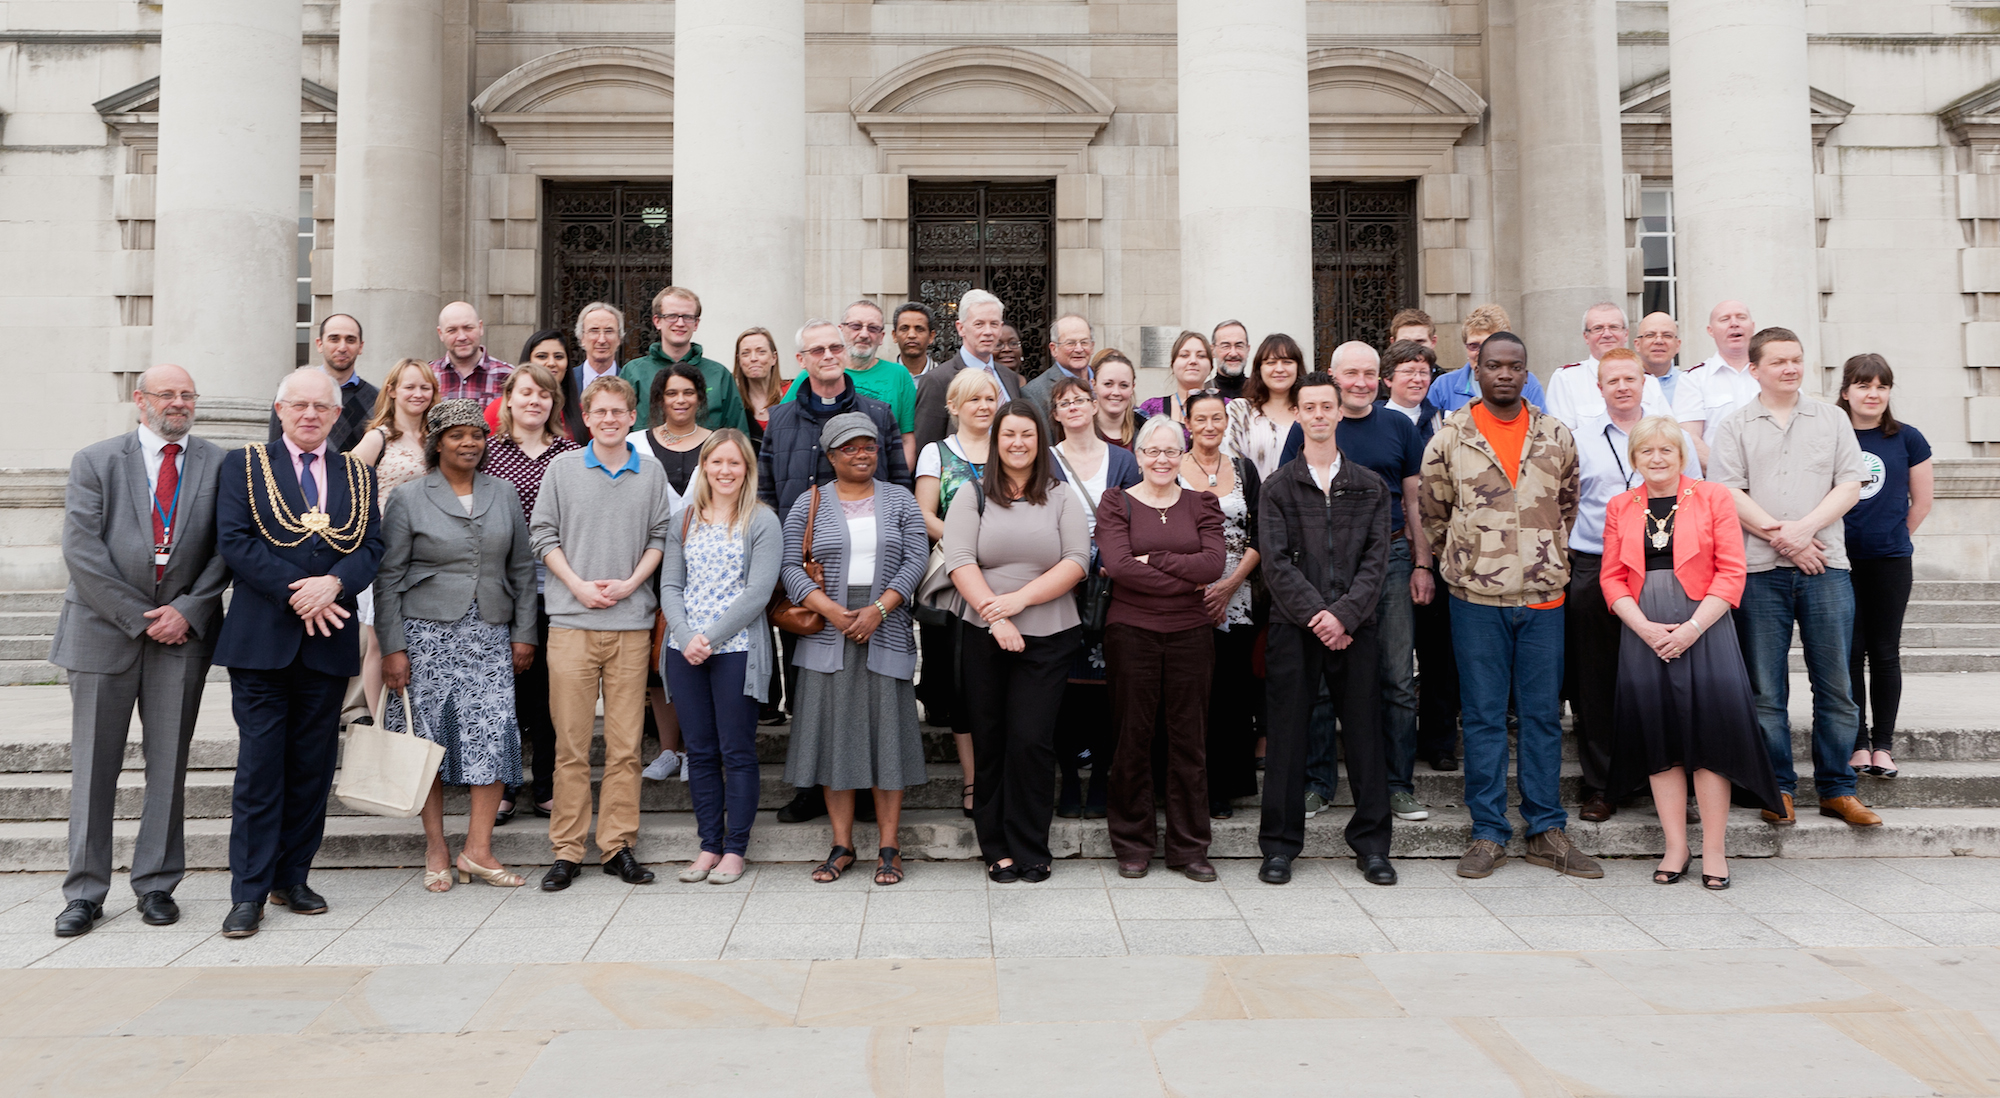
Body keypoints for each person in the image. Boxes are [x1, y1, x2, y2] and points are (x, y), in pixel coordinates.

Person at [51, 365, 230, 938]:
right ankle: (84, 893)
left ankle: (156, 884)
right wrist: (141, 618)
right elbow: (81, 549)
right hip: (102, 632)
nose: (178, 403)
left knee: (169, 763)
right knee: (94, 766)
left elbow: (227, 548)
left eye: (187, 394)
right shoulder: (96, 460)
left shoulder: (220, 463)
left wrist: (189, 610)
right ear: (140, 400)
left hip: (182, 635)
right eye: (167, 394)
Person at [1419, 332, 1601, 881]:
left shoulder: (1556, 435)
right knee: (1482, 717)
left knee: (1542, 717)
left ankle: (1546, 829)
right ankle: (1488, 831)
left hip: (1544, 596)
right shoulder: (1449, 438)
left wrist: (1540, 553)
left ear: (1526, 372)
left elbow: (1567, 505)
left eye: (1514, 366)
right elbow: (1434, 513)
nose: (1504, 374)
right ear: (1477, 371)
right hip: (1476, 600)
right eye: (1493, 365)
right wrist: (1472, 556)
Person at [213, 369, 384, 937]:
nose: (310, 415)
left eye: (321, 407)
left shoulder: (358, 474)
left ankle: (293, 878)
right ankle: (249, 892)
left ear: (337, 415)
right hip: (263, 642)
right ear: (280, 409)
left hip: (329, 642)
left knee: (312, 770)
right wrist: (301, 594)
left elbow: (372, 546)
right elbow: (235, 541)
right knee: (261, 770)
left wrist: (334, 585)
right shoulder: (243, 465)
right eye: (299, 405)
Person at [1601, 416, 1784, 889]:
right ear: (1634, 458)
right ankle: (1675, 846)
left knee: (1710, 738)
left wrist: (1692, 628)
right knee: (1659, 739)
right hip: (1644, 632)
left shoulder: (1713, 496)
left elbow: (1731, 570)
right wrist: (1644, 628)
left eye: (1667, 449)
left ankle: (1715, 851)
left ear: (1682, 455)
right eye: (1647, 450)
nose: (1657, 458)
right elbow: (1611, 578)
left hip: (1705, 628)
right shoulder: (1621, 505)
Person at [1709, 327, 1878, 827]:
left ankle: (1837, 790)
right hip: (1761, 573)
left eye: (1796, 359)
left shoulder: (1831, 418)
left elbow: (1850, 484)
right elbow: (1728, 492)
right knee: (1765, 690)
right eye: (1779, 361)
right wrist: (1783, 537)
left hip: (1826, 568)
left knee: (1837, 687)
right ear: (1755, 369)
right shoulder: (1734, 426)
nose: (1790, 368)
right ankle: (1777, 787)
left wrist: (1803, 532)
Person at [375, 400, 538, 892]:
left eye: (477, 434)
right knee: (429, 740)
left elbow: (521, 569)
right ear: (437, 442)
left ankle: (478, 850)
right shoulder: (409, 497)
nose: (469, 443)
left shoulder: (503, 493)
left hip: (490, 635)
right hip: (425, 636)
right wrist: (392, 647)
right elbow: (388, 577)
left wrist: (524, 633)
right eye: (457, 434)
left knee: (492, 734)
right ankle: (436, 848)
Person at [529, 376, 672, 890]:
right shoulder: (562, 469)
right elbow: (542, 534)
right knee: (570, 746)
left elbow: (660, 536)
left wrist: (633, 582)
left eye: (619, 412)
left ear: (633, 418)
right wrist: (576, 585)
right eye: (600, 412)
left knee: (625, 745)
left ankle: (617, 845)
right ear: (585, 418)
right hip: (572, 623)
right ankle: (567, 850)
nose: (610, 419)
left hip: (630, 626)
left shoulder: (651, 472)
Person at [1257, 370, 1396, 887]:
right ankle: (1278, 847)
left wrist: (1344, 615)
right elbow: (1275, 563)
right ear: (1297, 413)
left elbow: (1376, 561)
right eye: (1309, 407)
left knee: (1364, 736)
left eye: (1326, 406)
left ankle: (1373, 846)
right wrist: (1320, 616)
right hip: (1295, 627)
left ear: (1340, 412)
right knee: (1287, 737)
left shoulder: (1369, 485)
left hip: (1355, 627)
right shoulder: (1277, 487)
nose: (1318, 414)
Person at [941, 402, 1089, 883]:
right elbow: (959, 559)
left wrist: (1019, 602)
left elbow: (1076, 560)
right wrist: (996, 615)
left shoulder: (1061, 496)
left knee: (1031, 740)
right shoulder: (972, 494)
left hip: (1049, 634)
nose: (1018, 443)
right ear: (996, 441)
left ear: (1040, 441)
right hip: (982, 633)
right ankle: (996, 846)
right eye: (1009, 434)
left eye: (1027, 434)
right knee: (990, 738)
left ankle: (1030, 846)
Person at [782, 413, 929, 886]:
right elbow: (790, 566)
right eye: (850, 447)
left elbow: (917, 558)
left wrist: (879, 610)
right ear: (831, 456)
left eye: (868, 445)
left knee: (888, 740)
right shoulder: (809, 502)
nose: (862, 454)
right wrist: (830, 611)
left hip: (886, 628)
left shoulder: (900, 499)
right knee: (834, 741)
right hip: (829, 633)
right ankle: (842, 844)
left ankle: (889, 846)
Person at [1566, 350, 1703, 822]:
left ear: (1645, 382)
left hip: (1663, 568)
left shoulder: (1671, 435)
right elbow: (1566, 502)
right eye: (1612, 380)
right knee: (1596, 681)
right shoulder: (1579, 439)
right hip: (1594, 565)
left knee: (1667, 677)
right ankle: (1603, 785)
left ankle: (1672, 783)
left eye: (1630, 378)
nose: (1622, 386)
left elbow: (1695, 496)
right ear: (1599, 387)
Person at [1095, 415, 1227, 880]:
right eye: (1153, 451)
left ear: (1182, 455)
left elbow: (1213, 565)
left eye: (1171, 451)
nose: (1162, 460)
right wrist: (1183, 578)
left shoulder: (1202, 503)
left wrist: (1156, 559)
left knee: (1189, 740)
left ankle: (1190, 847)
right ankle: (1133, 844)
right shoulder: (1117, 503)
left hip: (1192, 633)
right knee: (1132, 737)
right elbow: (1118, 566)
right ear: (1138, 456)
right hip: (1132, 632)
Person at [659, 430, 783, 886]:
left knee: (737, 751)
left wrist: (708, 637)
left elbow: (758, 592)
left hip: (737, 650)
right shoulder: (684, 520)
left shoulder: (762, 520)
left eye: (734, 463)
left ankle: (735, 849)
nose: (725, 471)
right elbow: (670, 584)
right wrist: (685, 635)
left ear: (747, 469)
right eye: (716, 462)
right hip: (684, 651)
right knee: (700, 751)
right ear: (704, 467)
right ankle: (709, 844)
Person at [481, 363, 581, 825]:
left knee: (547, 693)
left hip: (556, 588)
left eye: (544, 394)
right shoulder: (489, 452)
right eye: (526, 393)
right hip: (501, 588)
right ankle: (502, 786)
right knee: (503, 693)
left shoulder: (571, 453)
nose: (534, 401)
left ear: (554, 403)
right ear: (508, 399)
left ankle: (545, 785)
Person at [1047, 374, 1143, 818]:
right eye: (1064, 402)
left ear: (1093, 405)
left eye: (1080, 400)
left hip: (1111, 583)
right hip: (1059, 585)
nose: (1074, 407)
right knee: (1064, 690)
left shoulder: (1123, 460)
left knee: (1109, 687)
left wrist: (1107, 558)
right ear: (1055, 413)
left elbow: (1133, 515)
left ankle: (1102, 777)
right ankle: (1069, 779)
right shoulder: (1046, 460)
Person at [1838, 354, 1933, 780]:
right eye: (1863, 385)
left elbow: (1922, 502)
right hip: (1839, 563)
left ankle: (1883, 746)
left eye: (1881, 386)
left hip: (1890, 562)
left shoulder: (1908, 438)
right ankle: (1857, 742)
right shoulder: (1833, 436)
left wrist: (1893, 537)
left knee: (1884, 651)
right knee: (1849, 652)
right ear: (1846, 392)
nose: (1873, 393)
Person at [914, 368, 1002, 810]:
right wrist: (967, 543)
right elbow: (924, 513)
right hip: (957, 583)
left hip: (1008, 578)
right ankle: (972, 781)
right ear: (953, 407)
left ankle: (1003, 775)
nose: (984, 406)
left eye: (990, 398)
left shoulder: (1011, 446)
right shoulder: (937, 453)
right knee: (964, 687)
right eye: (974, 399)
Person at [1178, 391, 1260, 821]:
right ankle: (1188, 786)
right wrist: (1197, 586)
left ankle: (1225, 786)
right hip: (1184, 596)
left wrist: (1229, 585)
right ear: (1187, 423)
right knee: (1190, 695)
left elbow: (1260, 533)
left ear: (1226, 423)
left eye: (1217, 418)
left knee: (1231, 693)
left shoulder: (1244, 469)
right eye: (1201, 419)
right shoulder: (1172, 469)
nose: (1209, 426)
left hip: (1237, 595)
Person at [348, 358, 440, 721]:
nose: (418, 394)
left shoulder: (436, 437)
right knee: (379, 642)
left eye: (425, 387)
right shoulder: (379, 438)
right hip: (386, 554)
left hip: (429, 555)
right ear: (392, 391)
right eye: (410, 387)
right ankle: (379, 725)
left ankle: (413, 721)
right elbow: (347, 486)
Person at [1382, 339, 1458, 773]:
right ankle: (1392, 743)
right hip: (1392, 548)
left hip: (1440, 550)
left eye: (1424, 371)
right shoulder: (1376, 422)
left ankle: (1439, 740)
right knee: (1392, 656)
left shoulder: (1443, 421)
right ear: (1388, 379)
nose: (1417, 378)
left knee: (1438, 651)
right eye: (1408, 371)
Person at [760, 320, 912, 518]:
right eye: (817, 350)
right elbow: (764, 494)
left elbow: (900, 486)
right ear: (801, 360)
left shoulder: (879, 415)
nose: (829, 356)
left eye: (835, 348)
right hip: (797, 534)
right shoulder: (779, 420)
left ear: (845, 353)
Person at [784, 301, 920, 468]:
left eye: (873, 328)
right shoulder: (813, 373)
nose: (864, 334)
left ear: (882, 337)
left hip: (879, 475)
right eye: (856, 326)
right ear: (841, 330)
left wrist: (899, 480)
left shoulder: (898, 375)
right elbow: (784, 424)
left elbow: (906, 438)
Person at [620, 285, 751, 433]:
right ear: (657, 321)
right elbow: (619, 427)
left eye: (688, 317)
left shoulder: (719, 375)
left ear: (696, 323)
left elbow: (737, 435)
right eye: (672, 316)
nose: (680, 323)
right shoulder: (634, 372)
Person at [913, 289, 1023, 456]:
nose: (988, 331)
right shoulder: (938, 380)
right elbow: (926, 446)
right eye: (979, 324)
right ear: (961, 328)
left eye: (994, 324)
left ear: (1000, 328)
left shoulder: (1009, 377)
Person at [1542, 302, 1675, 429]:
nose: (1607, 334)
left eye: (1614, 327)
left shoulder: (1650, 382)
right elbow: (1563, 438)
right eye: (1598, 328)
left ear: (1626, 334)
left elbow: (1670, 432)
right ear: (1586, 336)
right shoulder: (1566, 379)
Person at [266, 314, 378, 453]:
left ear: (360, 347)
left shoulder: (377, 399)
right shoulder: (292, 392)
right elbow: (275, 449)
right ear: (319, 344)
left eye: (350, 340)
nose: (342, 347)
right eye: (334, 339)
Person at [1679, 300, 1758, 467]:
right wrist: (1727, 473)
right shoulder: (1693, 379)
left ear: (1752, 326)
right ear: (1711, 330)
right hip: (1717, 478)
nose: (1734, 324)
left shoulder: (1773, 374)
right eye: (1725, 319)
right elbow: (1689, 438)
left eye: (1741, 317)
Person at [1427, 305, 1549, 413]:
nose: (1481, 353)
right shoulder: (1443, 386)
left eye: (1488, 345)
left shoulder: (1529, 384)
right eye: (1474, 346)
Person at [481, 328, 584, 442]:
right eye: (542, 356)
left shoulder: (581, 413)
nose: (551, 363)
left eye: (558, 357)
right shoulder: (497, 409)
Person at [1226, 333, 1304, 480]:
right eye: (1271, 362)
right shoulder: (1240, 410)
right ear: (1259, 369)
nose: (1279, 369)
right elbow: (1229, 462)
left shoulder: (1309, 413)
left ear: (1298, 367)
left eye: (1287, 362)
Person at [430, 301, 513, 404]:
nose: (462, 337)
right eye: (452, 330)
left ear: (480, 327)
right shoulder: (428, 376)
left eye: (468, 328)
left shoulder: (507, 376)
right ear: (440, 334)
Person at [1137, 330, 1214, 434]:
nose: (1193, 361)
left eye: (1201, 356)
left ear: (1211, 366)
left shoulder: (1228, 407)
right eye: (1184, 355)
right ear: (1172, 364)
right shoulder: (1151, 409)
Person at [1020, 313, 1096, 415]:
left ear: (1092, 346)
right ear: (1054, 349)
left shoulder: (1105, 381)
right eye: (1070, 343)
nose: (1079, 349)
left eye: (1084, 342)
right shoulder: (1035, 393)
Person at [732, 326, 786, 447]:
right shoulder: (734, 403)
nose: (753, 358)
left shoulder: (793, 394)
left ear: (774, 358)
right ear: (739, 360)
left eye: (761, 351)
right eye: (746, 353)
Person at [1634, 311, 1693, 412]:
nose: (1659, 341)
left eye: (1667, 335)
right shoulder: (1625, 385)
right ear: (1637, 344)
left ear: (1677, 345)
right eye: (1650, 335)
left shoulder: (1690, 385)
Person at [1091, 350, 1143, 450]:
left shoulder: (1145, 431)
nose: (1116, 392)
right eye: (1108, 384)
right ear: (1094, 385)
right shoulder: (1077, 431)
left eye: (1124, 385)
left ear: (1132, 388)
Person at [891, 302, 939, 380]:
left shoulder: (947, 379)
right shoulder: (880, 378)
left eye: (919, 329)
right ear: (894, 335)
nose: (911, 335)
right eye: (904, 329)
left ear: (931, 336)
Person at [1209, 320, 1252, 401]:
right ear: (1212, 351)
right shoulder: (1204, 394)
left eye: (1239, 346)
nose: (1233, 353)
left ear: (1248, 350)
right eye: (1226, 346)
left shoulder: (1261, 392)